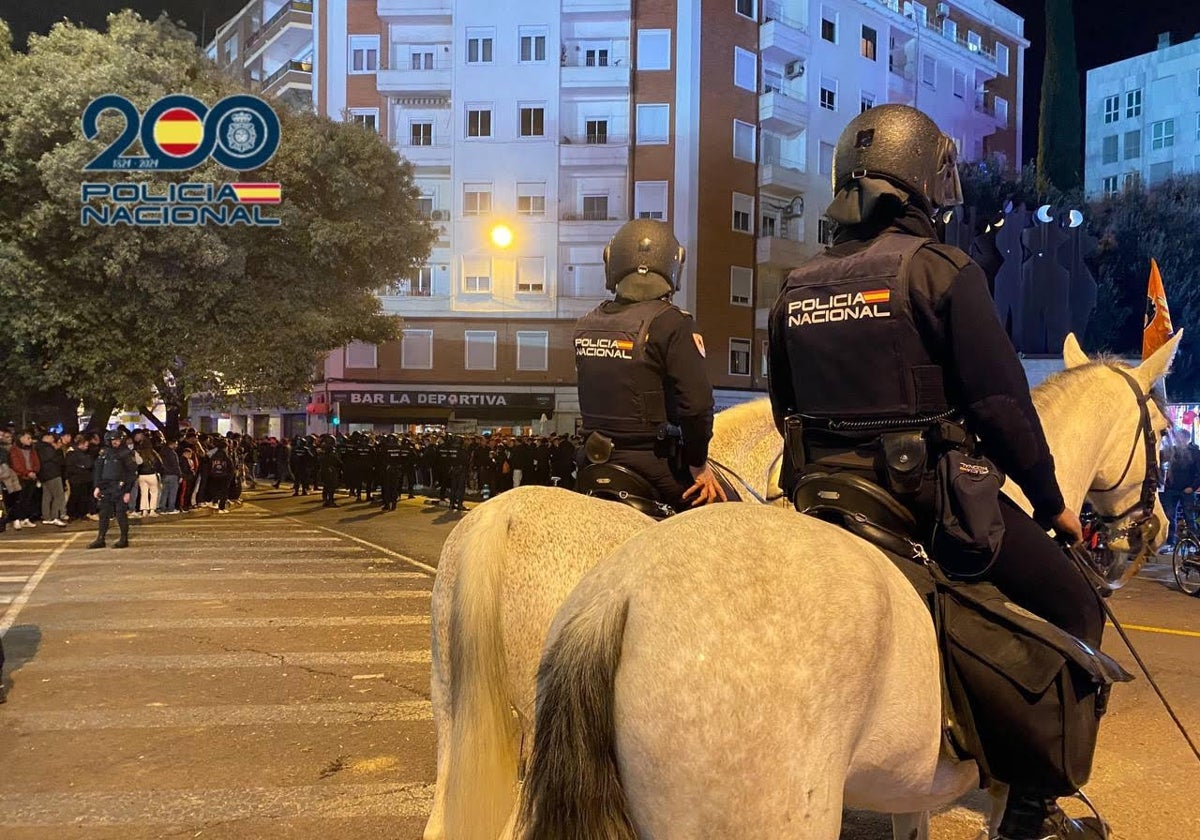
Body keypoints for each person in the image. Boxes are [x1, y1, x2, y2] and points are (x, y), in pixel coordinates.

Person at [766, 104, 1104, 840]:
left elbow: (782, 405)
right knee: (1076, 606)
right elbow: (1003, 408)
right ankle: (1029, 807)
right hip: (922, 502)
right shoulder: (941, 272)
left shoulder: (797, 285)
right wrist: (1053, 506)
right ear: (923, 181)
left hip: (823, 498)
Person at [572, 218, 725, 513]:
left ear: (611, 262)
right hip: (654, 467)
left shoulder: (585, 324)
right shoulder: (673, 323)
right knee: (731, 521)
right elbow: (697, 406)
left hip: (591, 463)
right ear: (674, 265)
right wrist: (698, 463)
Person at [89, 429, 136, 548]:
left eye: (118, 440)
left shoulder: (126, 453)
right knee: (103, 514)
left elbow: (131, 473)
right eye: (113, 440)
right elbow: (98, 471)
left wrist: (127, 491)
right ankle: (100, 539)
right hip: (105, 487)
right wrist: (97, 487)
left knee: (120, 514)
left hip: (120, 487)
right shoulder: (104, 453)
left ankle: (123, 539)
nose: (115, 442)